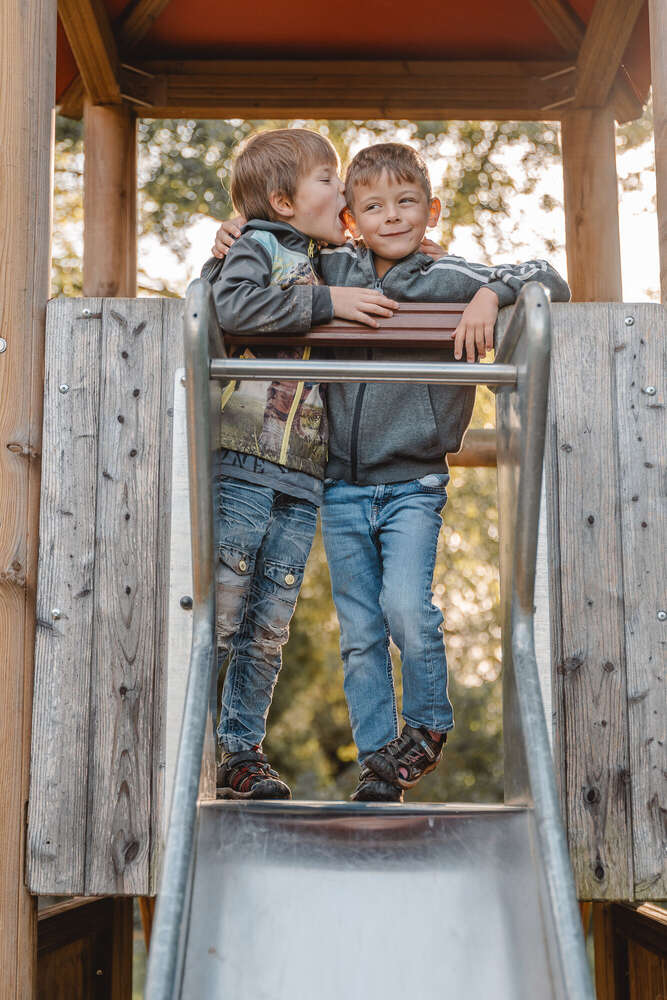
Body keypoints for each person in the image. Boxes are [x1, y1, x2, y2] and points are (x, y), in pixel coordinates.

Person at [213, 139, 570, 803]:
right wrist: (238, 231)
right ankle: (382, 763)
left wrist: (492, 294)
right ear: (349, 217)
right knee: (358, 635)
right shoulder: (331, 268)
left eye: (407, 202)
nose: (393, 216)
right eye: (372, 204)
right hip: (341, 487)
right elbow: (268, 259)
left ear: (430, 210)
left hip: (412, 483)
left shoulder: (447, 276)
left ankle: (428, 724)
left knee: (407, 608)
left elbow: (548, 276)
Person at [203, 128, 398, 800]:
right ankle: (190, 744)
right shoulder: (257, 246)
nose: (341, 191)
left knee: (268, 626)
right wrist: (326, 305)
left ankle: (240, 751)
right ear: (283, 202)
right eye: (328, 178)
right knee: (222, 615)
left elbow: (401, 256)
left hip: (303, 474)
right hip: (243, 459)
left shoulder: (337, 258)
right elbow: (228, 306)